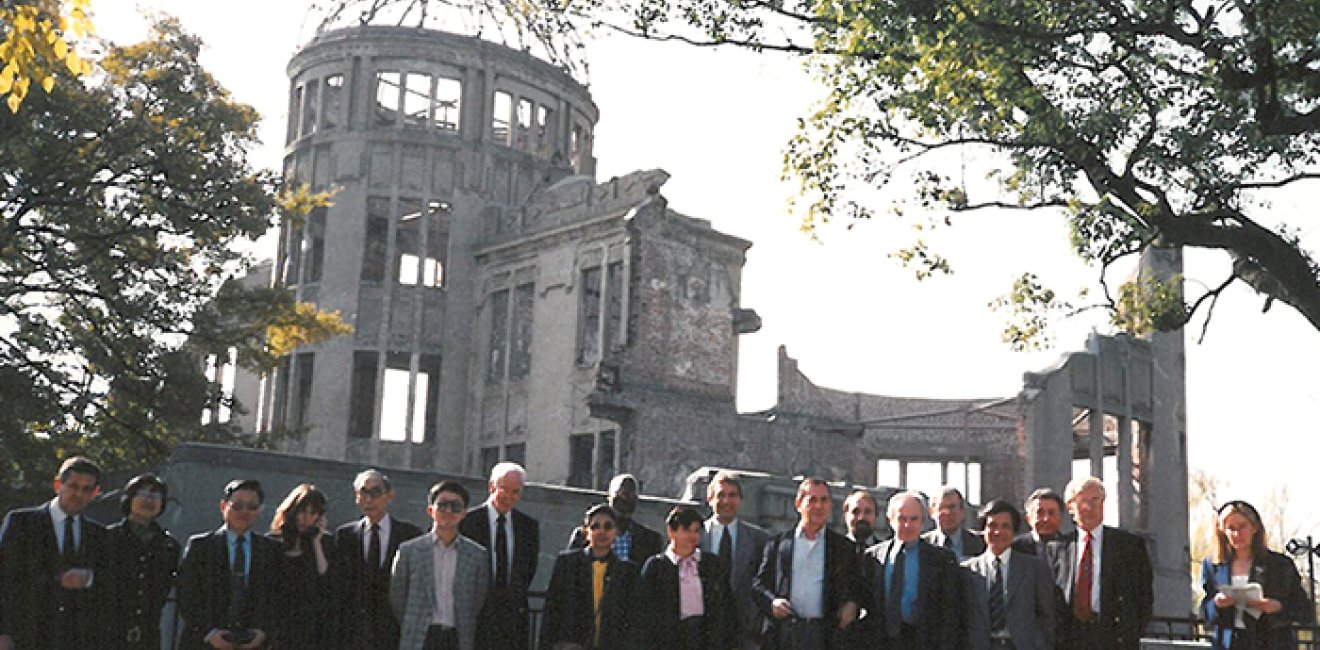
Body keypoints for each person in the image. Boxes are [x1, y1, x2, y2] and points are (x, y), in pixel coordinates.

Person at [0, 455, 108, 650]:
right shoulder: (22, 523)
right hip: (27, 635)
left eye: (86, 489)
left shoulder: (99, 535)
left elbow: (111, 583)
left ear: (96, 493)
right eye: (73, 486)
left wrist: (90, 578)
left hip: (77, 639)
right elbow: (5, 578)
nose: (78, 494)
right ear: (58, 485)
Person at [752, 478, 860, 650]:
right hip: (785, 632)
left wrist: (852, 604)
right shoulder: (778, 543)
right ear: (798, 503)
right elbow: (758, 585)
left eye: (824, 500)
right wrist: (772, 602)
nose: (818, 506)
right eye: (812, 500)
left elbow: (856, 586)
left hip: (825, 634)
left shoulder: (843, 547)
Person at [1048, 476, 1152, 650]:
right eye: (1083, 501)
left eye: (1096, 500)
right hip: (1069, 638)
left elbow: (1144, 596)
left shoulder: (1130, 546)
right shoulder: (1057, 549)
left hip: (1112, 637)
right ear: (1070, 507)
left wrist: (1131, 633)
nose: (1090, 507)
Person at [177, 478, 281, 649]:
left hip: (253, 644)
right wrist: (208, 633)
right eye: (238, 506)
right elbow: (187, 594)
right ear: (223, 506)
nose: (244, 511)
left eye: (252, 506)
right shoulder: (201, 546)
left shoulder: (271, 550)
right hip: (205, 642)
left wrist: (264, 632)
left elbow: (277, 596)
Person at [1200, 500, 1313, 649]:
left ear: (1255, 527)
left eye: (1242, 527)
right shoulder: (1213, 566)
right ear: (1222, 531)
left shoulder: (1279, 564)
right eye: (1230, 528)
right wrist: (1216, 604)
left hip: (1271, 642)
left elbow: (1304, 610)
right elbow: (1205, 613)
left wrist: (1277, 607)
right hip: (1230, 643)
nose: (1237, 534)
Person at [390, 480, 490, 650]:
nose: (448, 511)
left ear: (464, 513)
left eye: (455, 506)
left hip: (457, 638)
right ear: (430, 510)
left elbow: (477, 599)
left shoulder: (477, 555)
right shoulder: (409, 550)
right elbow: (397, 596)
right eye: (442, 505)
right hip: (419, 637)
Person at [333, 469, 424, 650]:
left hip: (393, 633)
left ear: (389, 495)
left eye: (375, 492)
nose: (369, 499)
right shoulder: (344, 536)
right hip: (353, 634)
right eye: (363, 492)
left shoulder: (409, 536)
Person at [863, 490, 961, 650]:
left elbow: (950, 612)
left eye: (914, 519)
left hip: (924, 641)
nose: (908, 525)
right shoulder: (872, 558)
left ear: (922, 521)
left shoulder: (942, 559)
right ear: (890, 520)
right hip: (882, 641)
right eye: (902, 518)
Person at [459, 462, 540, 650]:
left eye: (515, 492)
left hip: (512, 620)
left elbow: (528, 570)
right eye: (504, 489)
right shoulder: (467, 522)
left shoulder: (528, 527)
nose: (509, 497)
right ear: (491, 486)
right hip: (476, 616)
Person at [539, 504, 641, 649]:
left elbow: (633, 618)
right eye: (595, 526)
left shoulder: (627, 571)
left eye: (608, 526)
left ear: (616, 532)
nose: (601, 531)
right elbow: (552, 609)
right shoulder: (567, 563)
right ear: (586, 531)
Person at [638, 505, 737, 650]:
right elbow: (644, 613)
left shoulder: (711, 563)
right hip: (670, 640)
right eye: (686, 530)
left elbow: (727, 604)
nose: (692, 536)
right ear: (671, 531)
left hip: (705, 639)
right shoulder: (656, 566)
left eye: (696, 531)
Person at [962, 500, 1054, 650]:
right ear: (983, 530)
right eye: (992, 526)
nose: (998, 532)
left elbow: (1047, 617)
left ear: (1014, 532)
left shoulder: (1034, 568)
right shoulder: (966, 571)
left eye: (1005, 526)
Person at [105, 473, 181, 650]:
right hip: (108, 633)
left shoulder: (168, 545)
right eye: (143, 494)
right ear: (129, 499)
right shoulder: (107, 538)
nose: (149, 500)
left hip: (148, 634)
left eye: (155, 495)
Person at [699, 471, 770, 650]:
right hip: (703, 631)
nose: (726, 501)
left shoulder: (759, 539)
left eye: (732, 495)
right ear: (709, 498)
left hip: (745, 634)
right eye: (720, 495)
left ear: (740, 499)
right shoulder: (695, 537)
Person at [268, 483, 334, 649]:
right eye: (302, 512)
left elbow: (324, 576)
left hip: (310, 625)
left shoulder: (326, 542)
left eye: (313, 513)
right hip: (279, 622)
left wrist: (316, 543)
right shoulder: (272, 542)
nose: (307, 518)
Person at [568, 474, 663, 563]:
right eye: (621, 495)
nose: (625, 501)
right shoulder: (584, 535)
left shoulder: (650, 540)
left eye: (631, 497)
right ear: (609, 497)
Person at [921, 486, 986, 560]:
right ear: (932, 512)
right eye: (942, 508)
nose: (948, 513)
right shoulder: (922, 545)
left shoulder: (980, 543)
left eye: (952, 507)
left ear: (962, 511)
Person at [1011, 488, 1065, 557]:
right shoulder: (1014, 548)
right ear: (1028, 519)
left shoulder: (1070, 547)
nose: (1046, 519)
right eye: (1040, 513)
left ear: (1060, 518)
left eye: (1051, 513)